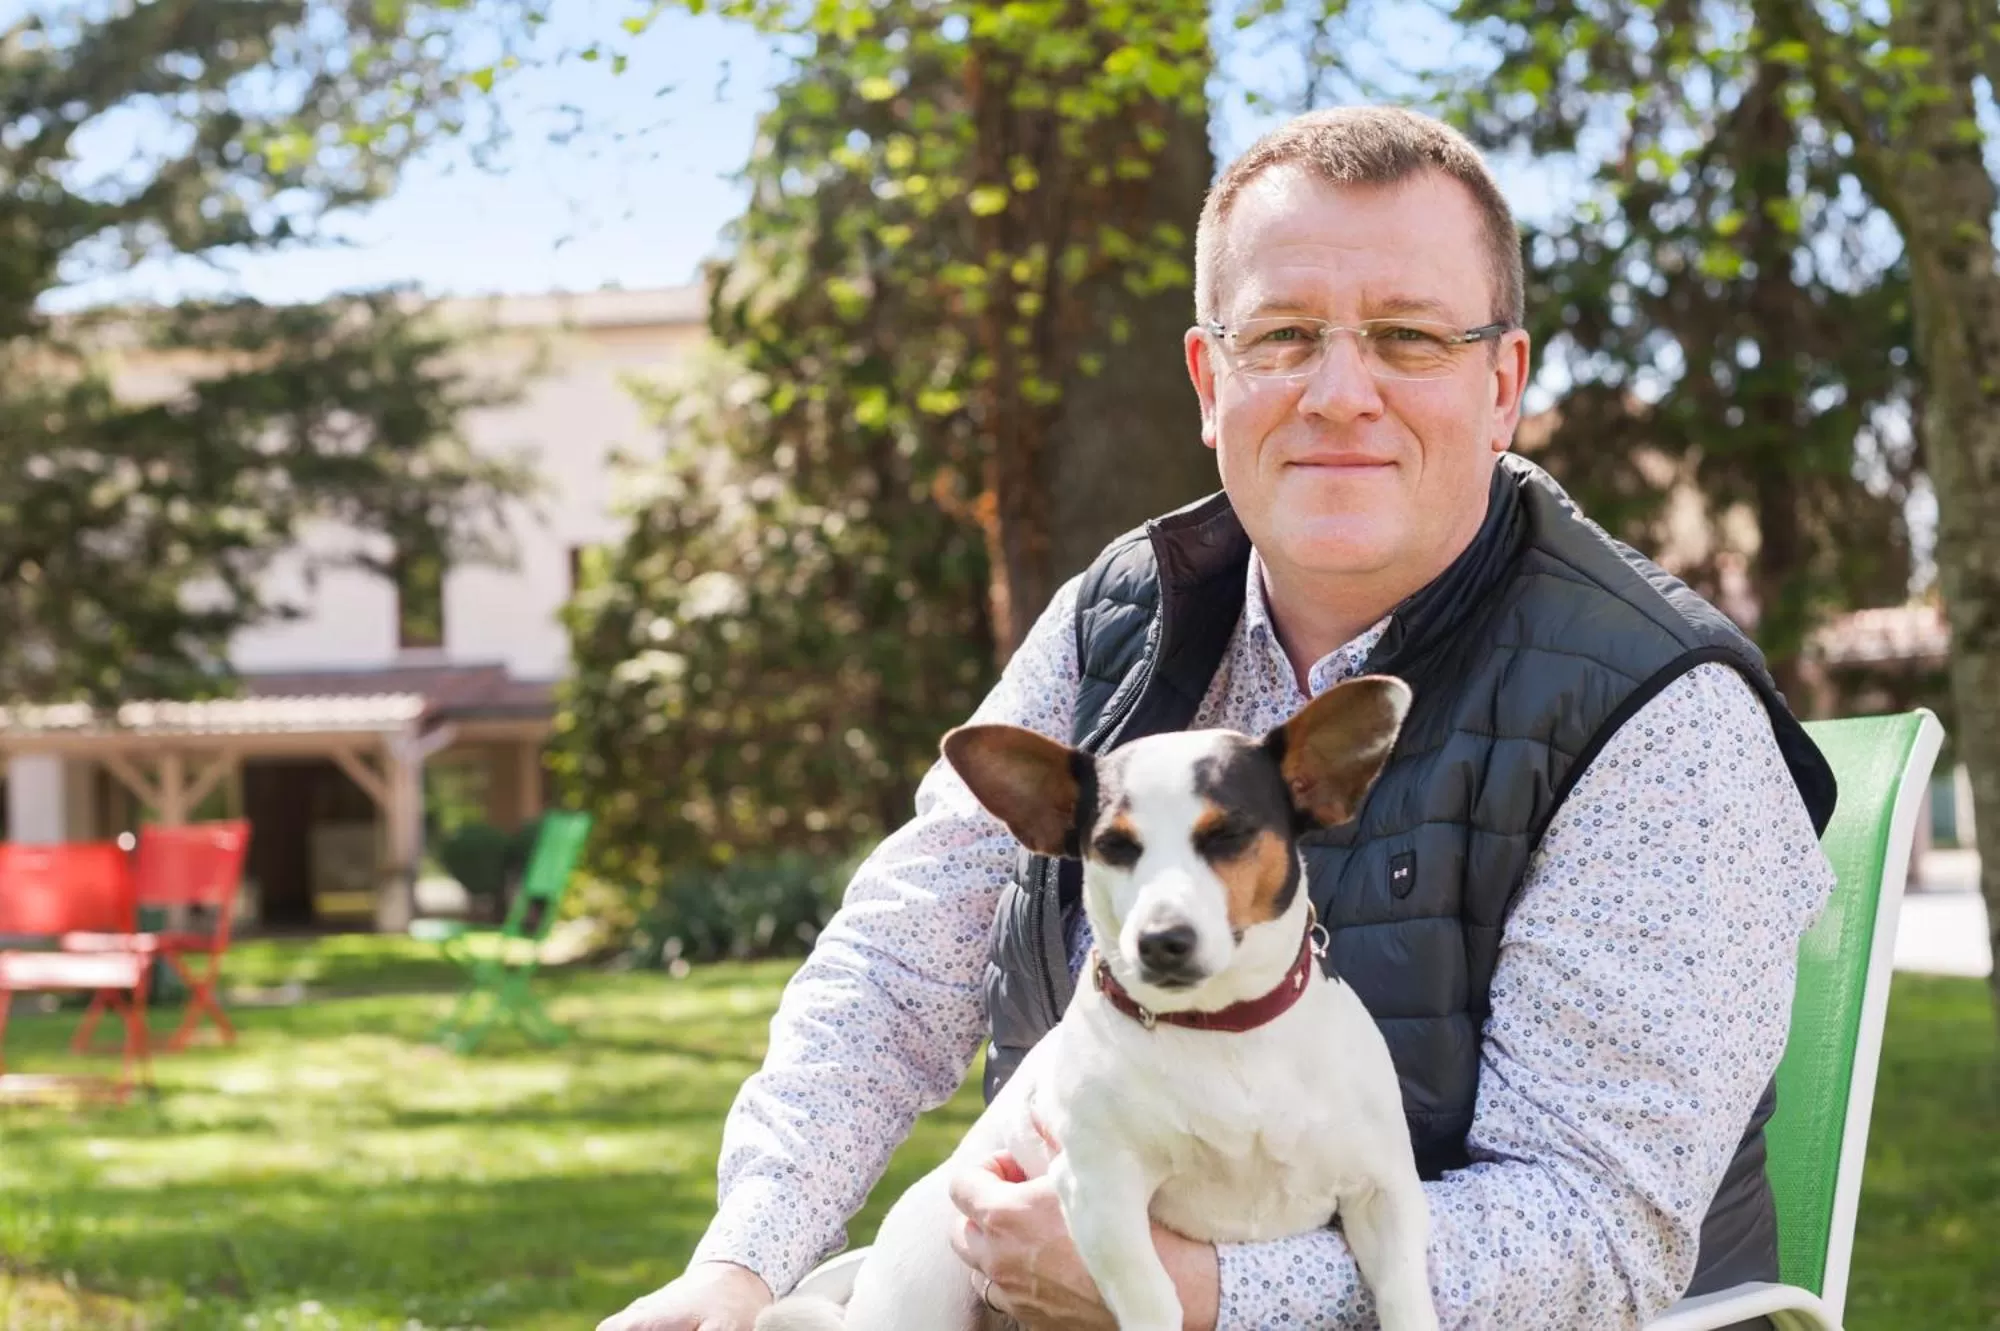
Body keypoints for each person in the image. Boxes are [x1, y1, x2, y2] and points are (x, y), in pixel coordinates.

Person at [598, 105, 1837, 1331]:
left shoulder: (1661, 715)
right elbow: (894, 966)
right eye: (1283, 335)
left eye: (1407, 336)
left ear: (1501, 380)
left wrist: (1193, 1295)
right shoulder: (1118, 620)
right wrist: (742, 1261)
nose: (1338, 393)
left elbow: (1599, 1229)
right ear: (1208, 377)